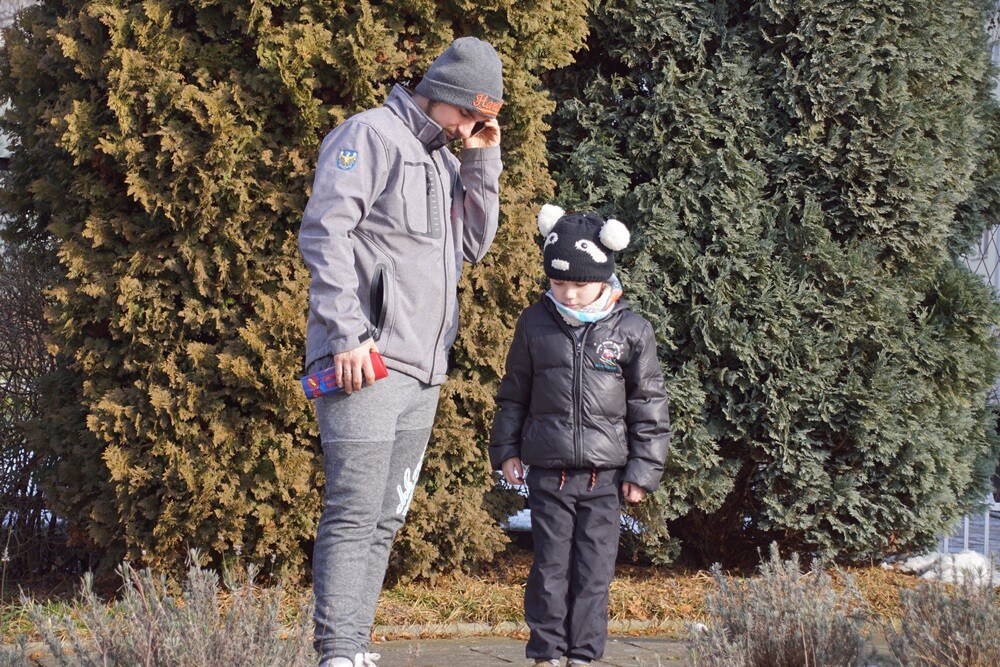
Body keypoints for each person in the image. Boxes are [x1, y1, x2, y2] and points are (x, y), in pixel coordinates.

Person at [298, 37, 504, 667]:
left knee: (385, 516)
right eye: (469, 114)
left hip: (423, 370)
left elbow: (474, 245)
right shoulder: (370, 136)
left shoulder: (444, 160)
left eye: (481, 119)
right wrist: (347, 334)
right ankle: (337, 652)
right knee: (354, 511)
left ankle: (353, 648)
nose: (470, 127)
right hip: (364, 359)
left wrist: (481, 161)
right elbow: (324, 232)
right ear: (441, 94)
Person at [489, 204, 671, 667]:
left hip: (604, 479)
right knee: (550, 568)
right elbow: (513, 393)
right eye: (557, 282)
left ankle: (584, 655)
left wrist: (643, 471)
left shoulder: (631, 330)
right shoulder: (533, 323)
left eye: (579, 284)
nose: (568, 293)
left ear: (603, 278)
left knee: (594, 571)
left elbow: (649, 405)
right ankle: (547, 653)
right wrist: (506, 450)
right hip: (549, 475)